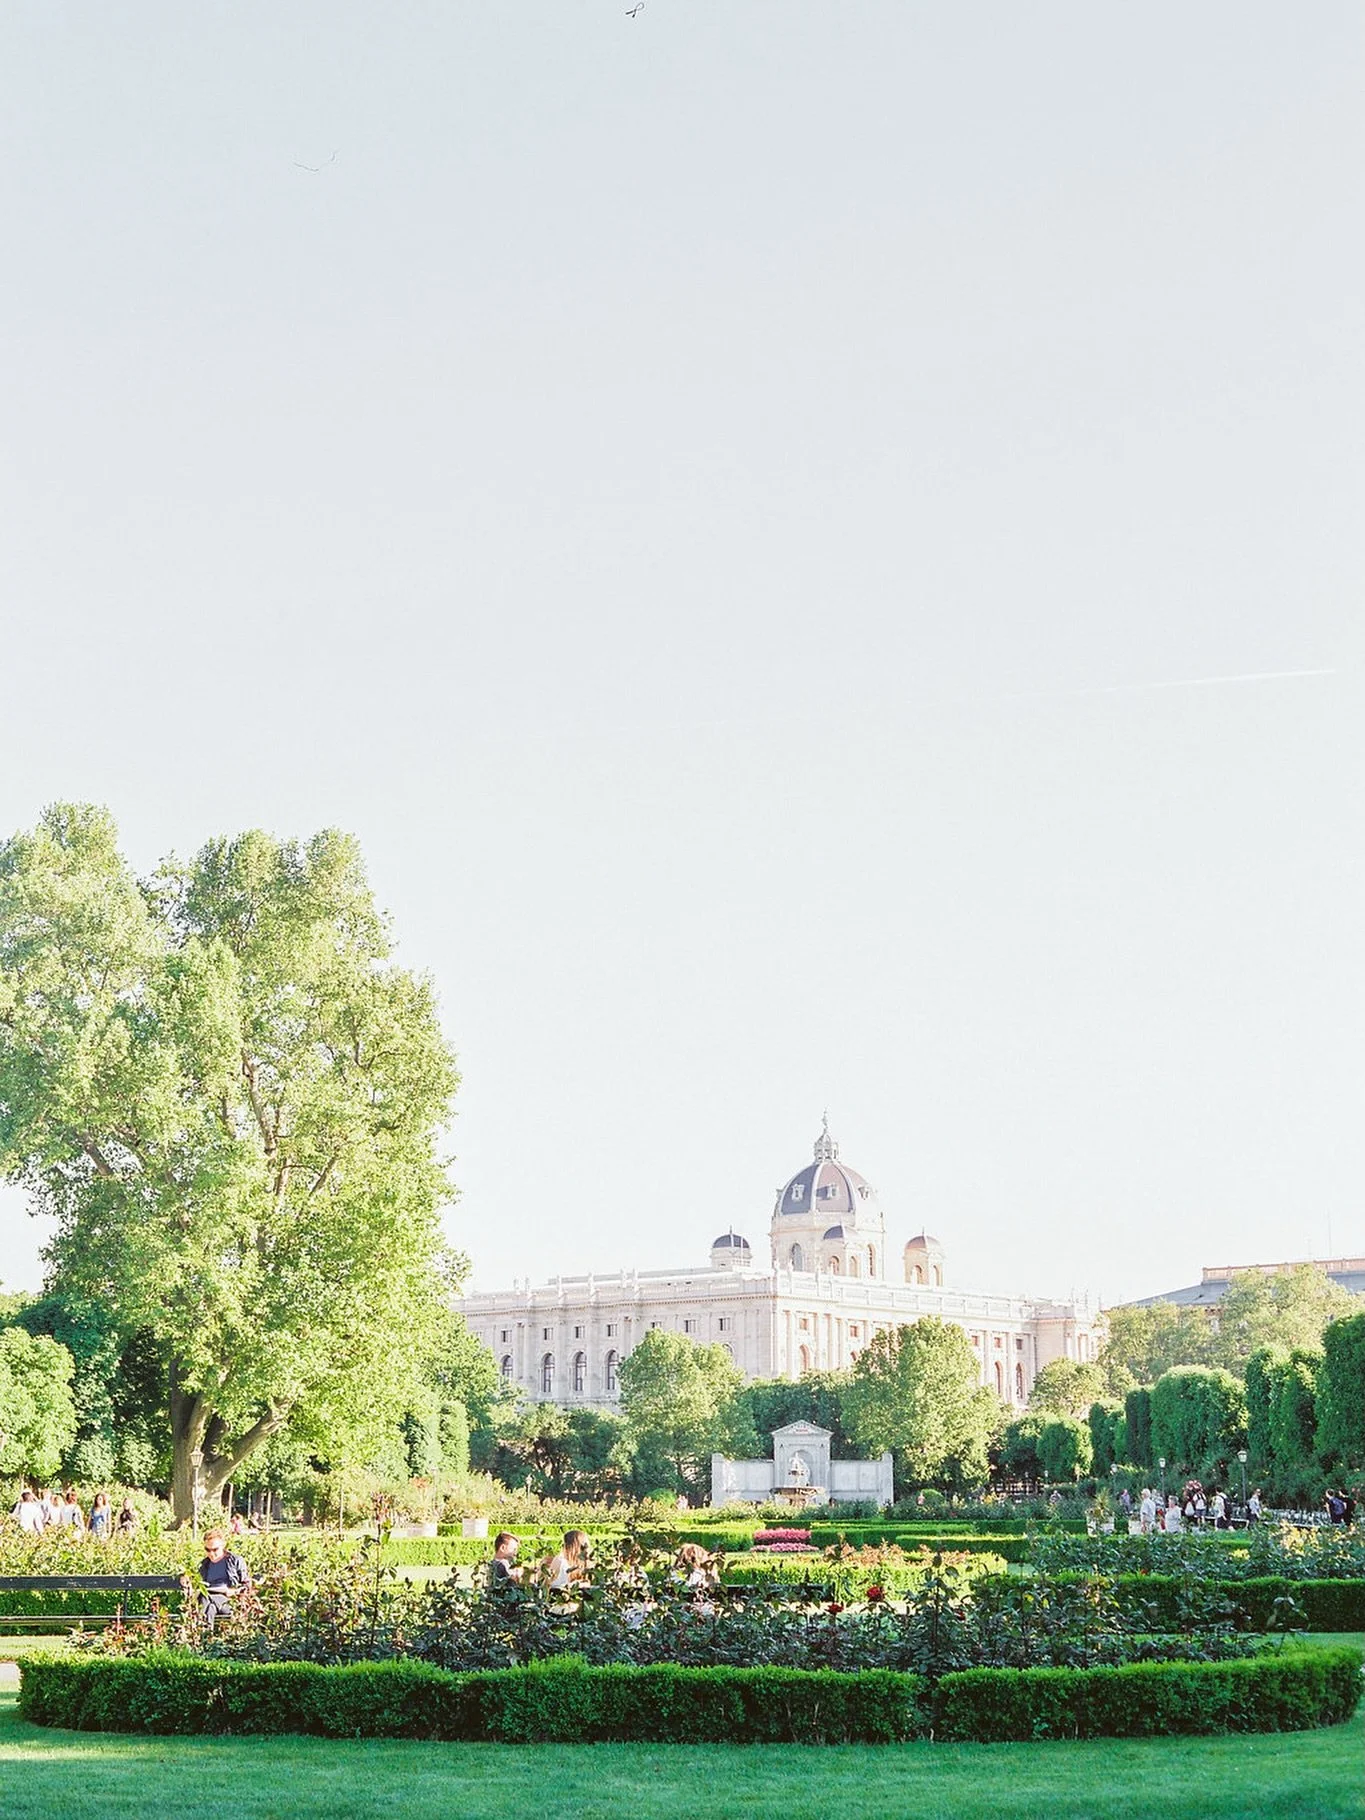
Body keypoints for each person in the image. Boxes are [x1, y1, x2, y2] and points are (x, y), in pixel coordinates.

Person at [194, 1529, 250, 1629]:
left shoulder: (235, 1561)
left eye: (215, 1549)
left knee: (206, 1599)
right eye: (207, 1550)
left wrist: (233, 1591)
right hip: (210, 1602)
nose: (211, 1553)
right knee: (210, 1607)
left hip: (229, 1602)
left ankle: (199, 1632)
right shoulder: (205, 1564)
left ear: (223, 1546)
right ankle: (207, 1636)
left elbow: (246, 1585)